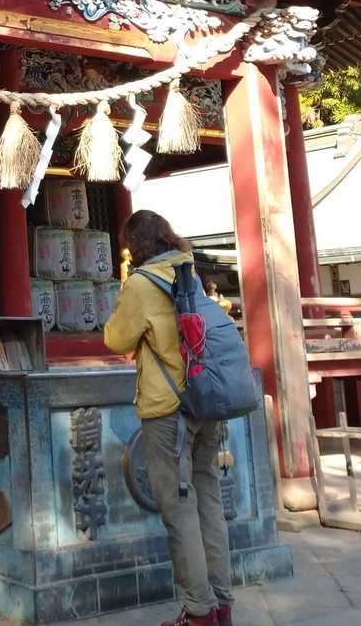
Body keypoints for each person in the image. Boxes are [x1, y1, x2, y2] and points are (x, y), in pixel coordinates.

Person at [103, 211, 233, 626]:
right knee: (209, 500)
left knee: (179, 509)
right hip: (205, 401)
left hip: (168, 410)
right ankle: (221, 604)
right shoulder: (189, 273)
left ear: (134, 246)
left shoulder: (141, 284)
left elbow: (115, 338)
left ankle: (198, 611)